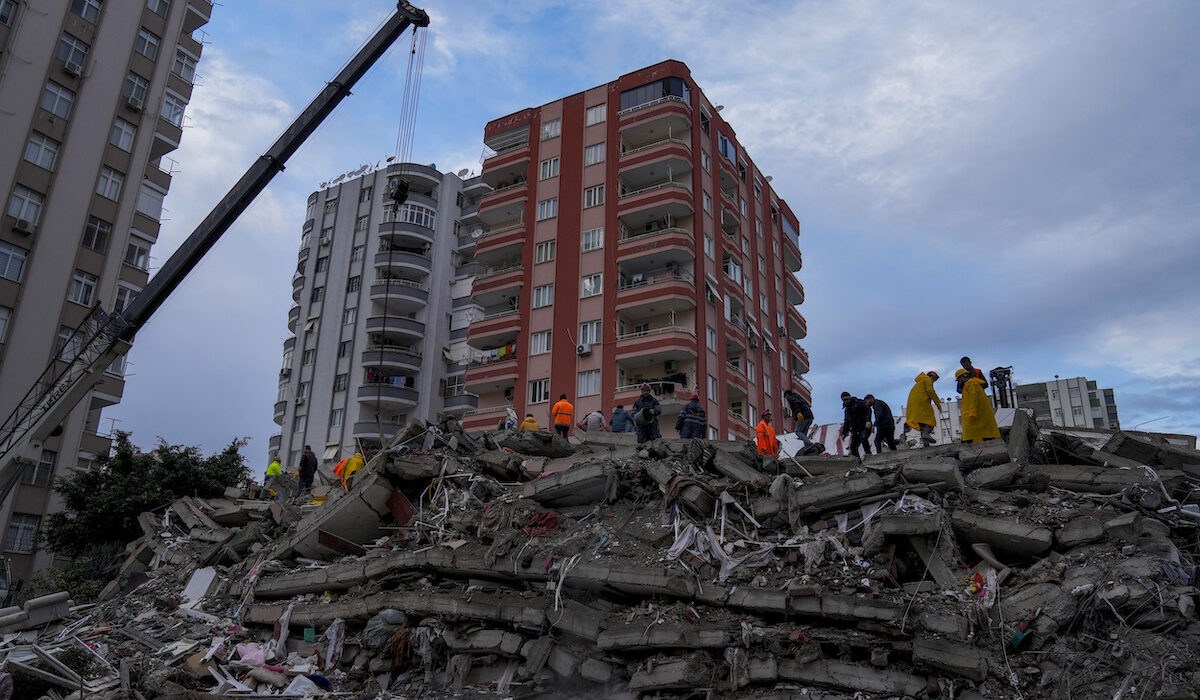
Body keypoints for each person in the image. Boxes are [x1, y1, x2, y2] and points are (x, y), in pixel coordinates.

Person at [956, 369, 1001, 442]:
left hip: (975, 414)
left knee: (972, 431)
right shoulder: (974, 383)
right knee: (985, 432)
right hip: (979, 413)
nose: (959, 382)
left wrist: (972, 412)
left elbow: (974, 398)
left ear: (960, 378)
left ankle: (968, 443)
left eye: (959, 380)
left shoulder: (970, 384)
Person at [902, 371, 942, 446]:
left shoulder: (919, 383)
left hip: (913, 405)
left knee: (922, 422)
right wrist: (937, 403)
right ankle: (926, 434)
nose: (933, 382)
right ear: (932, 377)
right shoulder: (927, 380)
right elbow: (930, 391)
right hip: (921, 402)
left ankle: (926, 443)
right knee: (930, 419)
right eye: (934, 380)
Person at [839, 392, 873, 459]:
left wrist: (868, 421)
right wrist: (844, 433)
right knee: (853, 447)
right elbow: (847, 422)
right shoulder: (847, 410)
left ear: (850, 398)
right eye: (844, 400)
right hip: (855, 429)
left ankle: (869, 456)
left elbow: (868, 410)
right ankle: (857, 462)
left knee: (863, 438)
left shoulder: (859, 403)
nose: (846, 401)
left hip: (864, 426)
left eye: (847, 399)